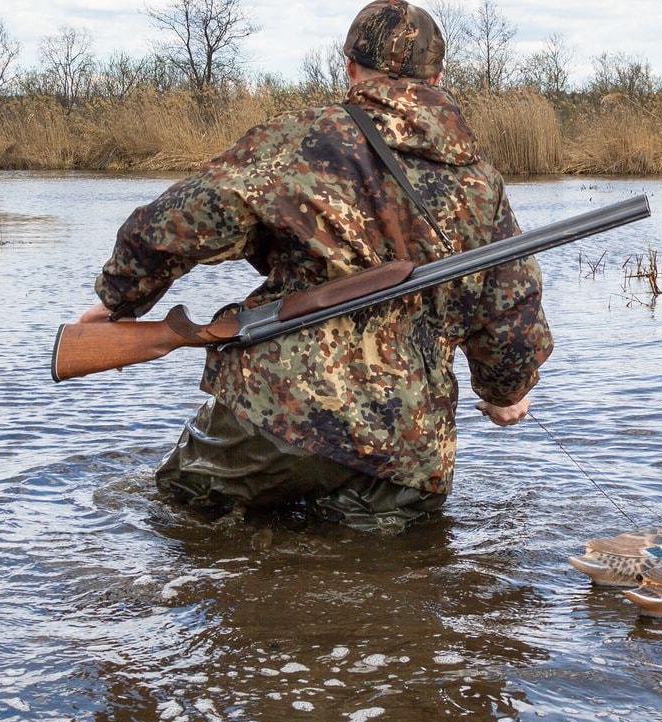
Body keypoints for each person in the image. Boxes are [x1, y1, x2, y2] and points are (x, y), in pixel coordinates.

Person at [73, 0, 551, 534]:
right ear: (438, 78)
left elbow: (175, 222)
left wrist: (118, 300)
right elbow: (511, 309)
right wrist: (506, 393)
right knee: (389, 590)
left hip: (276, 413)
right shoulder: (481, 179)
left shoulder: (301, 138)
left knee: (184, 522)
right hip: (406, 445)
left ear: (350, 69)